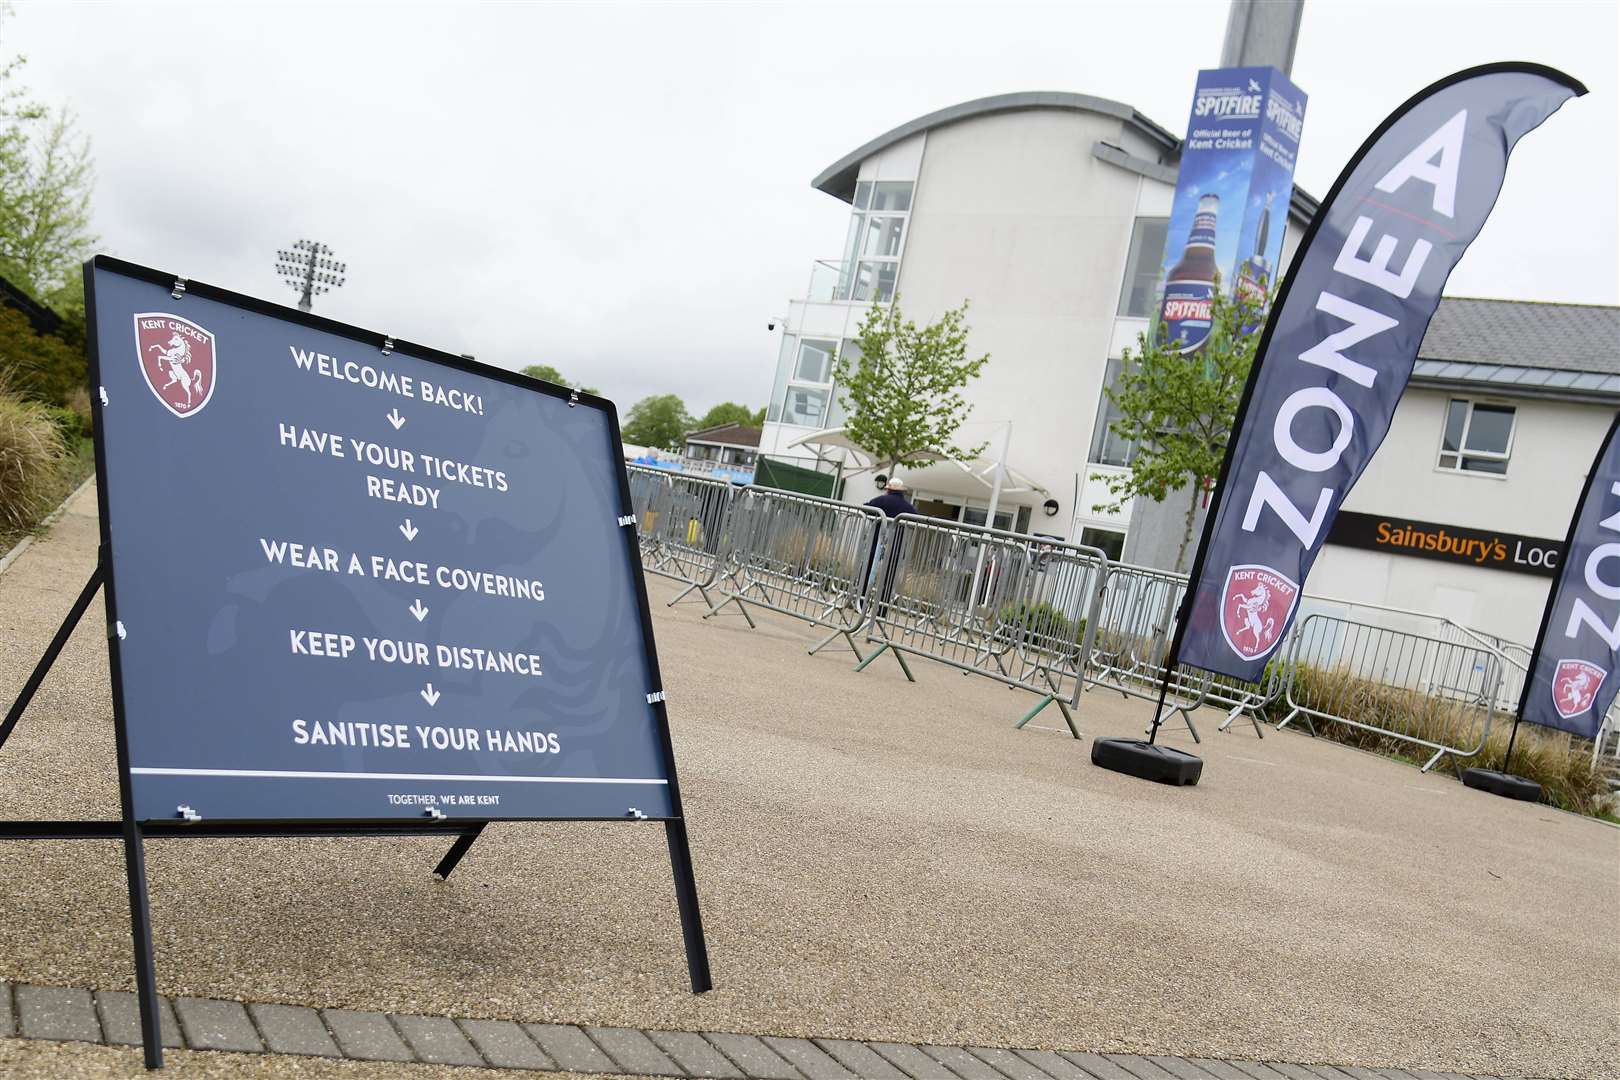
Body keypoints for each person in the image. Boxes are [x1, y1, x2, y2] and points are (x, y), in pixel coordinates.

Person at [863, 477, 917, 596]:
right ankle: (882, 608)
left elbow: (865, 508)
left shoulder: (880, 501)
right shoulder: (907, 507)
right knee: (889, 578)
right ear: (902, 491)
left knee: (867, 573)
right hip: (896, 548)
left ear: (888, 489)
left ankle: (861, 601)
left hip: (876, 544)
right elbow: (916, 520)